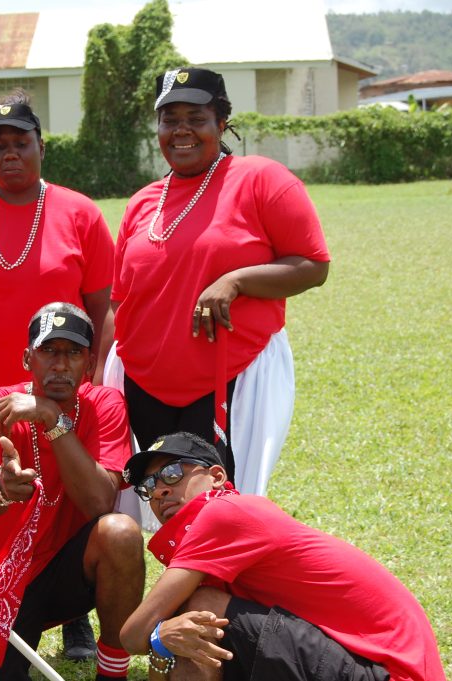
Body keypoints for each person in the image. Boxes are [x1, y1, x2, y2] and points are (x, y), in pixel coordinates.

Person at [0, 92, 115, 658]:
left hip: (63, 393)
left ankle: (75, 616)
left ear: (40, 145)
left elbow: (102, 307)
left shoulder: (80, 213)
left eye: (20, 143)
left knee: (74, 502)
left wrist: (93, 382)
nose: (9, 154)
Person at [111, 67, 330, 495]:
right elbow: (120, 300)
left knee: (215, 501)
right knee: (162, 499)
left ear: (222, 124)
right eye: (170, 120)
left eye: (196, 118)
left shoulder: (260, 179)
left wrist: (236, 281)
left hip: (223, 378)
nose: (181, 131)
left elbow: (313, 265)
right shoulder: (142, 202)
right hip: (142, 382)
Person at [118, 432, 446, 681]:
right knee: (188, 625)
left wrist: (158, 637)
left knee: (201, 611)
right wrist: (162, 640)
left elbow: (132, 635)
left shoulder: (224, 514)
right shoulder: (216, 538)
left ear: (216, 477)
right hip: (354, 662)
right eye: (148, 486)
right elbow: (154, 638)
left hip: (388, 671)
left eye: (173, 473)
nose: (159, 491)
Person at [0, 302, 145, 680]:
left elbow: (100, 503)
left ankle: (112, 674)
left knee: (120, 532)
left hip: (66, 573)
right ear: (28, 358)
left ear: (90, 364)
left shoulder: (105, 405)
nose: (60, 364)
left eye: (73, 352)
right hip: (0, 581)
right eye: (49, 351)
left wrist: (53, 419)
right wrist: (1, 487)